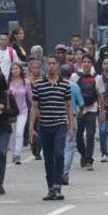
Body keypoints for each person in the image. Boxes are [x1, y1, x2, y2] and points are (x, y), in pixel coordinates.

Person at [29, 57, 75, 201]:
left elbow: (68, 105)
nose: (51, 66)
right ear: (45, 66)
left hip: (60, 124)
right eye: (48, 64)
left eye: (54, 63)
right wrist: (31, 128)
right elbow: (34, 107)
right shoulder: (39, 84)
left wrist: (71, 125)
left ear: (58, 65)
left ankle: (57, 185)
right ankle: (50, 188)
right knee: (48, 158)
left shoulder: (64, 84)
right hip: (44, 125)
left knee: (59, 153)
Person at [70, 54, 105, 171]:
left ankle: (89, 161)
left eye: (88, 62)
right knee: (78, 137)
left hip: (92, 109)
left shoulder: (97, 78)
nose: (86, 64)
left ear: (92, 64)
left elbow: (100, 95)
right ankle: (84, 155)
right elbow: (70, 94)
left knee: (90, 136)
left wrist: (101, 112)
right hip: (79, 111)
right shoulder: (75, 76)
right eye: (84, 61)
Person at [60, 65, 84, 186]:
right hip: (71, 118)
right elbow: (82, 103)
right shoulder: (74, 86)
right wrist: (79, 113)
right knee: (69, 146)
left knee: (59, 146)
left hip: (57, 118)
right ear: (70, 74)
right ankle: (64, 173)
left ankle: (59, 171)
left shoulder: (56, 86)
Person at [7, 63, 32, 164]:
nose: (14, 70)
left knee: (19, 132)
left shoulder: (26, 82)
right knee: (12, 134)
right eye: (12, 69)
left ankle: (18, 154)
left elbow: (30, 97)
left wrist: (37, 108)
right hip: (12, 112)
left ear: (21, 70)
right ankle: (14, 152)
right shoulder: (8, 83)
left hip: (23, 111)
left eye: (16, 68)